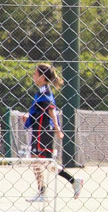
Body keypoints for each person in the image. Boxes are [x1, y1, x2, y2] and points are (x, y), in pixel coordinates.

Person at [26, 63, 84, 201]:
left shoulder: (45, 92)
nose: (33, 76)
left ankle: (45, 190)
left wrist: (57, 128)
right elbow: (40, 110)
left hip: (43, 130)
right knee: (42, 161)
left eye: (35, 73)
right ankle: (69, 182)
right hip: (39, 129)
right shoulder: (41, 91)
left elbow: (51, 109)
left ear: (42, 77)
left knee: (40, 161)